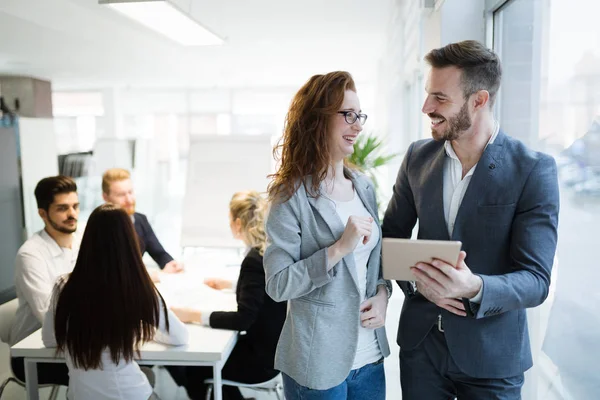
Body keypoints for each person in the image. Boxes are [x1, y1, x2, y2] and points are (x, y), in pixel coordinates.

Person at [382, 40, 560, 399]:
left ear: (479, 100)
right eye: (428, 95)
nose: (426, 107)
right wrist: (417, 284)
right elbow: (391, 237)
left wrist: (474, 288)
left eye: (440, 98)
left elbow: (536, 279)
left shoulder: (533, 170)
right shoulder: (418, 157)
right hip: (421, 351)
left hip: (492, 358)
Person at [263, 71, 392, 400]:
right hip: (317, 364)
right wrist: (337, 249)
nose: (358, 125)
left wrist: (382, 296)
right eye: (348, 115)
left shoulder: (362, 186)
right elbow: (278, 285)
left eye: (359, 115)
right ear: (318, 120)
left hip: (369, 359)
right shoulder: (290, 196)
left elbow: (372, 268)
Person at [42, 203, 189, 400]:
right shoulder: (136, 286)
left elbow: (50, 339)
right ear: (129, 240)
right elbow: (180, 337)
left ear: (88, 240)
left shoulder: (64, 285)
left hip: (79, 395)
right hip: (128, 394)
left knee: (146, 374)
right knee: (146, 376)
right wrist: (146, 331)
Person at [168, 191, 287, 400]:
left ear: (238, 222)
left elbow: (243, 319)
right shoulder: (267, 251)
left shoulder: (253, 260)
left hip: (261, 361)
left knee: (192, 367)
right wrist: (232, 285)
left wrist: (193, 315)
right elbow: (263, 291)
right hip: (275, 353)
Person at [9, 175, 80, 385]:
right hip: (35, 354)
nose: (72, 214)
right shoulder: (30, 255)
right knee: (112, 371)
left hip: (78, 343)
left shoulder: (84, 240)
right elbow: (51, 318)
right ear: (42, 213)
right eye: (62, 208)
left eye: (75, 206)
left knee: (132, 363)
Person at [101, 168, 183, 276]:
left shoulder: (140, 220)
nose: (129, 200)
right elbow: (115, 271)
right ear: (105, 197)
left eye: (130, 192)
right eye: (121, 195)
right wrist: (154, 276)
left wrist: (172, 264)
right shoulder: (101, 227)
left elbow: (159, 253)